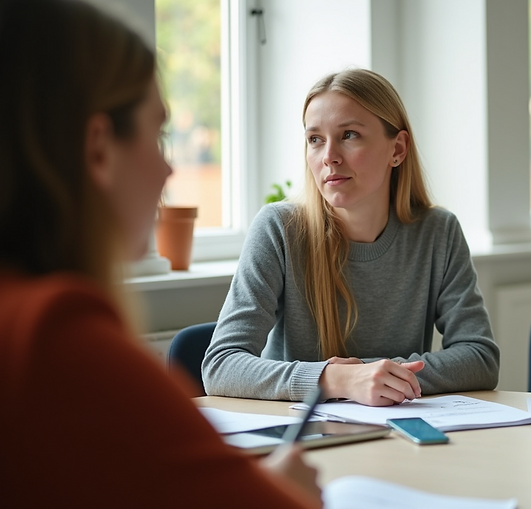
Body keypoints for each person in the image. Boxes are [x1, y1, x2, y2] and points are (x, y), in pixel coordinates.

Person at [0, 0, 390, 509]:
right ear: (99, 149)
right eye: (158, 136)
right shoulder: (47, 341)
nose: (169, 169)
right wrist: (268, 507)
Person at [203, 68, 499, 406]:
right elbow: (220, 365)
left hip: (396, 435)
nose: (329, 156)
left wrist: (378, 378)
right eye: (315, 139)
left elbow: (480, 357)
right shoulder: (279, 229)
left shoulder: (438, 232)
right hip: (300, 439)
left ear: (397, 149)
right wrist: (335, 380)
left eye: (349, 135)